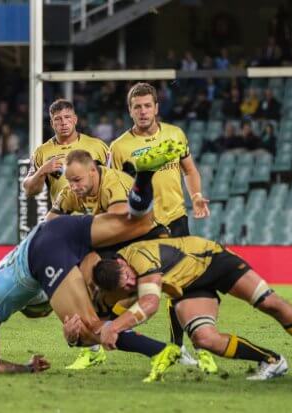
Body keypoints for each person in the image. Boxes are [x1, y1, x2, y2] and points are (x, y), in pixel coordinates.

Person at [0, 140, 185, 375]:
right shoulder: (3, 270)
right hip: (58, 232)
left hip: (43, 251)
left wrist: (27, 368)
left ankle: (165, 351)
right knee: (137, 222)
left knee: (88, 330)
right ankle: (144, 177)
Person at [90, 236, 292, 380]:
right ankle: (272, 361)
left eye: (129, 277)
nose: (131, 284)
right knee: (204, 339)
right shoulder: (111, 289)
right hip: (190, 288)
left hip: (213, 261)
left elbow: (150, 304)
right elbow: (101, 319)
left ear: (122, 264)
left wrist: (115, 327)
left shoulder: (137, 257)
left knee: (271, 303)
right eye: (126, 286)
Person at [109, 82, 214, 370]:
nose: (142, 111)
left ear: (156, 108)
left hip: (176, 220)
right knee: (136, 288)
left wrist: (195, 196)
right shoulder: (119, 148)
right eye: (137, 107)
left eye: (147, 106)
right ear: (130, 111)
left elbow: (189, 169)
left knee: (178, 287)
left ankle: (178, 347)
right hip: (143, 228)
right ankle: (106, 330)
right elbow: (115, 188)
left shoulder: (175, 135)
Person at [46, 149, 170, 370]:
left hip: (146, 236)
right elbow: (48, 229)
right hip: (115, 244)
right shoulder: (69, 192)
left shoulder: (114, 182)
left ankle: (168, 345)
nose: (74, 186)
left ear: (93, 171)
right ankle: (97, 341)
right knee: (84, 284)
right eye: (70, 181)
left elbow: (118, 226)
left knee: (108, 285)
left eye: (77, 180)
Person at [22, 99, 109, 204]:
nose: (63, 123)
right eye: (57, 119)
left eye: (67, 117)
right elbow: (29, 190)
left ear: (75, 119)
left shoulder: (97, 146)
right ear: (52, 123)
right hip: (63, 216)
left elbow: (116, 181)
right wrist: (42, 170)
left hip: (94, 216)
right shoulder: (42, 152)